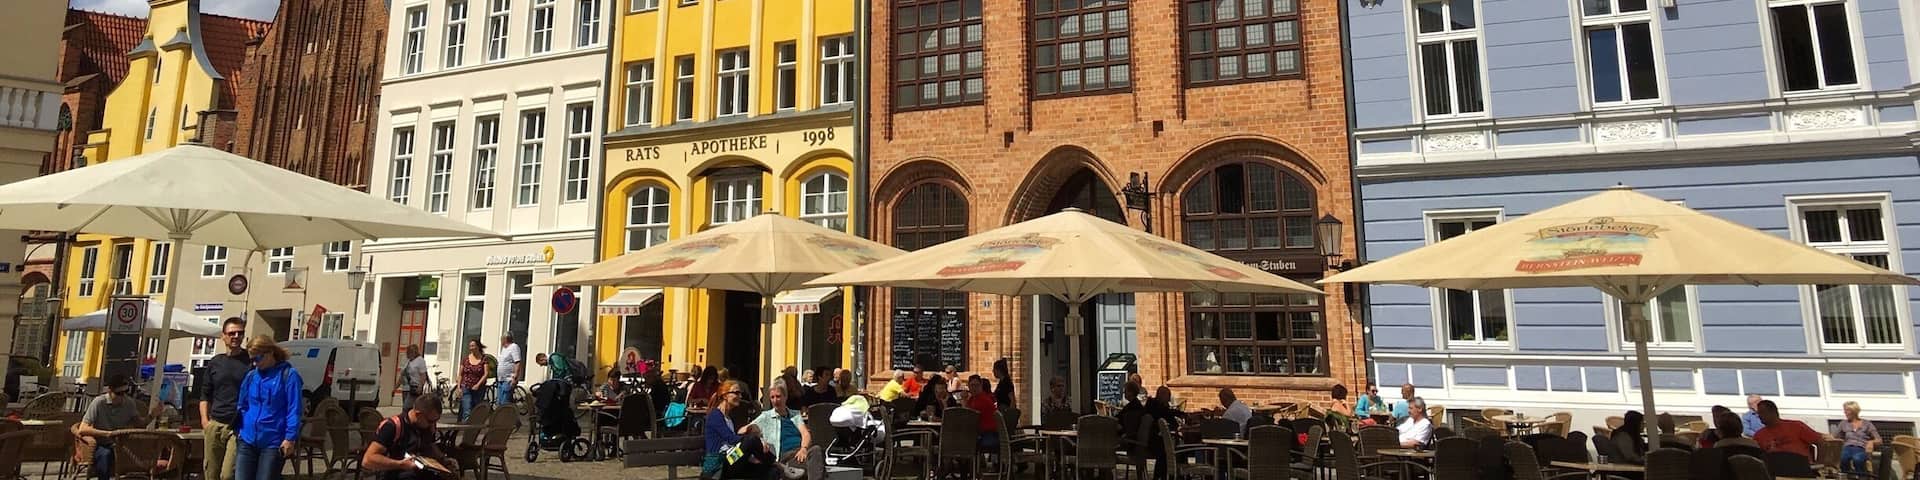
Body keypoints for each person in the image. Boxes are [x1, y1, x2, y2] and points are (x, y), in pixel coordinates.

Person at [235, 335, 306, 480]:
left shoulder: (288, 375)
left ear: (270, 353)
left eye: (258, 358)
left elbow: (294, 409)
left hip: (273, 442)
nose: (255, 363)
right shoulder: (251, 376)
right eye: (252, 360)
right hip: (247, 439)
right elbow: (242, 404)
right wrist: (240, 430)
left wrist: (290, 438)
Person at [77, 374, 160, 480]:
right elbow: (83, 428)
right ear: (110, 391)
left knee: (142, 456)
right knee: (105, 455)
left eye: (126, 392)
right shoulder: (99, 403)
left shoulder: (129, 403)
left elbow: (140, 424)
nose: (123, 396)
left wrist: (152, 415)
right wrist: (107, 434)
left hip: (123, 445)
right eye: (119, 393)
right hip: (103, 443)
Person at [361, 392, 459, 480]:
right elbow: (368, 460)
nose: (433, 425)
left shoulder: (427, 427)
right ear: (418, 414)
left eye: (436, 421)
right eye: (430, 421)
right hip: (396, 474)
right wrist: (400, 464)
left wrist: (444, 460)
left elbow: (430, 445)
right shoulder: (392, 426)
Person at [199, 317, 251, 480]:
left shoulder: (250, 361)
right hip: (215, 424)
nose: (236, 336)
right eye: (232, 333)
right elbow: (205, 394)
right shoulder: (215, 362)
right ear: (223, 336)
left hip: (237, 426)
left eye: (240, 333)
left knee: (228, 475)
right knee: (211, 473)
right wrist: (205, 422)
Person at [752, 383, 825, 479]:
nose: (775, 400)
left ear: (785, 397)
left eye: (778, 396)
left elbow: (805, 434)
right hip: (785, 458)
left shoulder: (795, 415)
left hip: (800, 454)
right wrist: (760, 439)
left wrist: (804, 448)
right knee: (815, 466)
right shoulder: (766, 416)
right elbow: (744, 431)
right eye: (772, 397)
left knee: (816, 450)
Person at [703, 380, 773, 479]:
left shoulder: (728, 417)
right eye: (736, 393)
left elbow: (733, 442)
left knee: (768, 470)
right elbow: (731, 439)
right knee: (751, 440)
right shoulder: (715, 415)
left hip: (731, 459)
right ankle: (779, 464)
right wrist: (759, 441)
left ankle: (776, 466)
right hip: (721, 463)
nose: (740, 396)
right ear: (725, 396)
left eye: (740, 393)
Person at [1753, 400, 1822, 459]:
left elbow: (1821, 442)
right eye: (1758, 413)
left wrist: (1819, 463)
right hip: (1774, 470)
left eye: (1762, 412)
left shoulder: (1796, 426)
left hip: (1800, 468)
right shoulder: (1758, 436)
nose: (1759, 416)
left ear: (1774, 412)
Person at [1835, 401, 1881, 475]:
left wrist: (1871, 442)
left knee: (1857, 459)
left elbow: (1879, 440)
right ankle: (1847, 476)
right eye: (1845, 410)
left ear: (1854, 411)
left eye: (1847, 410)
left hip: (1861, 447)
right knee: (1843, 458)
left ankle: (1862, 476)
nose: (1845, 413)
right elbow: (1835, 436)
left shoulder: (1867, 424)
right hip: (1848, 447)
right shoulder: (1843, 423)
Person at [457, 339, 489, 420]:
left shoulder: (484, 359)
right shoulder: (465, 359)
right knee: (467, 409)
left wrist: (478, 385)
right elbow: (460, 374)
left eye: (473, 346)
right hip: (466, 386)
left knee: (475, 409)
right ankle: (466, 429)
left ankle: (474, 428)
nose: (471, 348)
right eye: (470, 346)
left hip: (479, 388)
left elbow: (486, 373)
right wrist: (458, 387)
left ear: (478, 347)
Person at [966, 377, 1000, 450]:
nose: (974, 388)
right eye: (972, 385)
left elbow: (968, 417)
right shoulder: (972, 399)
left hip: (988, 434)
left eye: (977, 385)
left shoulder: (983, 400)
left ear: (981, 386)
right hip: (981, 433)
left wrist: (963, 401)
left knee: (961, 439)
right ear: (968, 386)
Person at [494, 335, 523, 406]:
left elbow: (517, 362)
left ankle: (506, 417)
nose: (500, 341)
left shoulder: (514, 347)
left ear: (505, 339)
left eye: (501, 339)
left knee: (505, 403)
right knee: (499, 403)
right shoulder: (504, 349)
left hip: (508, 379)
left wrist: (515, 377)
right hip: (501, 379)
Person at [402, 344, 428, 412]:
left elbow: (423, 375)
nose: (407, 354)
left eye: (408, 352)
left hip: (415, 387)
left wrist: (420, 386)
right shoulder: (409, 361)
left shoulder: (420, 361)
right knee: (409, 407)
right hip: (408, 387)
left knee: (406, 407)